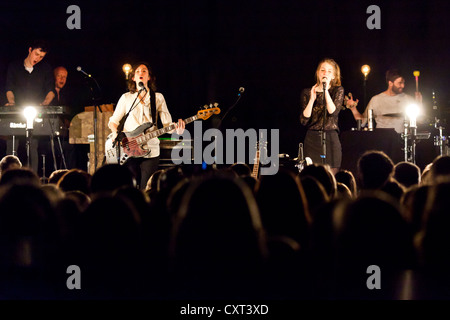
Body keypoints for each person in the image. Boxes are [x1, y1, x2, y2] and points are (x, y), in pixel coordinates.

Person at [108, 62, 185, 189]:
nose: (140, 73)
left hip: (151, 149)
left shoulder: (158, 97)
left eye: (144, 71)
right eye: (137, 72)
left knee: (146, 188)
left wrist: (178, 129)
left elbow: (167, 124)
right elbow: (113, 121)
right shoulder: (126, 98)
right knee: (129, 188)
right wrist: (115, 133)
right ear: (133, 77)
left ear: (149, 77)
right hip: (129, 148)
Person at [4, 40, 55, 174]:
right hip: (16, 112)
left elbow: (51, 90)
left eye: (41, 56)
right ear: (30, 50)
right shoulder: (14, 66)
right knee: (12, 145)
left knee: (33, 145)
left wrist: (45, 103)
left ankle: (32, 179)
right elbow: (9, 88)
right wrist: (12, 103)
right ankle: (7, 177)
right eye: (36, 54)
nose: (37, 59)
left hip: (34, 111)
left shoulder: (46, 68)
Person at [300, 58, 345, 175]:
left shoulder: (337, 90)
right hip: (312, 139)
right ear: (318, 73)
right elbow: (304, 120)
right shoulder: (307, 92)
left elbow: (333, 112)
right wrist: (312, 99)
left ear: (334, 76)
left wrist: (325, 91)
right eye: (323, 70)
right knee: (312, 177)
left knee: (331, 177)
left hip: (330, 138)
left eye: (329, 71)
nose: (325, 73)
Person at [361, 69, 422, 133]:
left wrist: (419, 103)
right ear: (390, 83)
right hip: (381, 138)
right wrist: (353, 108)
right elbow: (363, 122)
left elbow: (420, 120)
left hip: (401, 140)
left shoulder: (408, 99)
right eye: (400, 83)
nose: (403, 86)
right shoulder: (376, 99)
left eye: (403, 83)